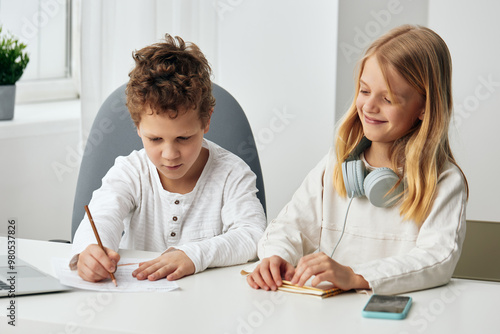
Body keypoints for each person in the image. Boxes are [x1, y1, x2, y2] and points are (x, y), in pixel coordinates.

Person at [247, 25, 468, 295]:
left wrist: (356, 276)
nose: (369, 106)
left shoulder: (444, 181)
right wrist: (276, 256)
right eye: (364, 91)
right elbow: (288, 226)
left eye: (387, 98)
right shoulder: (336, 165)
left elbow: (438, 259)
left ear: (424, 108)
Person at [71, 34, 266, 283]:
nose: (170, 154)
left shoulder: (232, 174)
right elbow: (102, 215)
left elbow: (252, 234)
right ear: (138, 127)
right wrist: (90, 251)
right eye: (155, 139)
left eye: (184, 138)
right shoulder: (131, 171)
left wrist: (192, 254)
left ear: (206, 121)